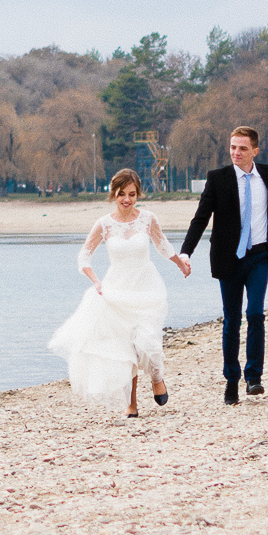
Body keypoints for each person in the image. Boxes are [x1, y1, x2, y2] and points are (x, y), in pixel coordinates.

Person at [49, 168, 193, 417]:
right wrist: (95, 281)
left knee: (147, 342)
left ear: (138, 195)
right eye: (122, 194)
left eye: (132, 194)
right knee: (126, 349)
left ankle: (157, 377)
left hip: (146, 287)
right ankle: (131, 404)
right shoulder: (104, 224)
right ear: (113, 194)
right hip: (117, 289)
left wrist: (180, 263)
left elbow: (162, 245)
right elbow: (84, 255)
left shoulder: (147, 218)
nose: (127, 199)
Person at [179, 125, 268, 405]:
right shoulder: (218, 178)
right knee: (232, 320)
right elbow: (201, 217)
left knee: (255, 313)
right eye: (232, 147)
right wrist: (185, 253)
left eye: (242, 148)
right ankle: (231, 381)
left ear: (255, 150)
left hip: (258, 256)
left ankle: (253, 378)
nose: (236, 153)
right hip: (228, 259)